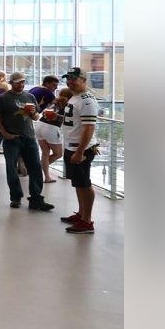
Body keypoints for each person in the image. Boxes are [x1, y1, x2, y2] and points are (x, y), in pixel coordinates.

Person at [0, 73, 54, 211]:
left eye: (23, 82)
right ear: (11, 83)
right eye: (17, 82)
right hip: (12, 139)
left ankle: (36, 198)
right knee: (12, 169)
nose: (21, 85)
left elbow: (36, 116)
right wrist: (5, 134)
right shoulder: (3, 98)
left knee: (35, 167)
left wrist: (33, 113)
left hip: (29, 137)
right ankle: (15, 197)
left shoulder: (30, 96)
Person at [59, 68, 100, 234]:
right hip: (71, 146)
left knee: (84, 184)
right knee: (78, 183)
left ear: (84, 80)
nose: (70, 82)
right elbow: (75, 122)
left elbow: (89, 128)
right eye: (68, 79)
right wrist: (58, 118)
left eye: (74, 79)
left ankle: (87, 221)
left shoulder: (87, 100)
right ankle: (82, 214)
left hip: (80, 148)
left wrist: (80, 151)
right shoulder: (75, 97)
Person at [35, 85, 68, 184]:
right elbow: (65, 118)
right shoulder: (68, 104)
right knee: (58, 154)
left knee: (45, 153)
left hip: (40, 125)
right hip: (51, 128)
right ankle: (36, 169)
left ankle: (47, 177)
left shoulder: (54, 102)